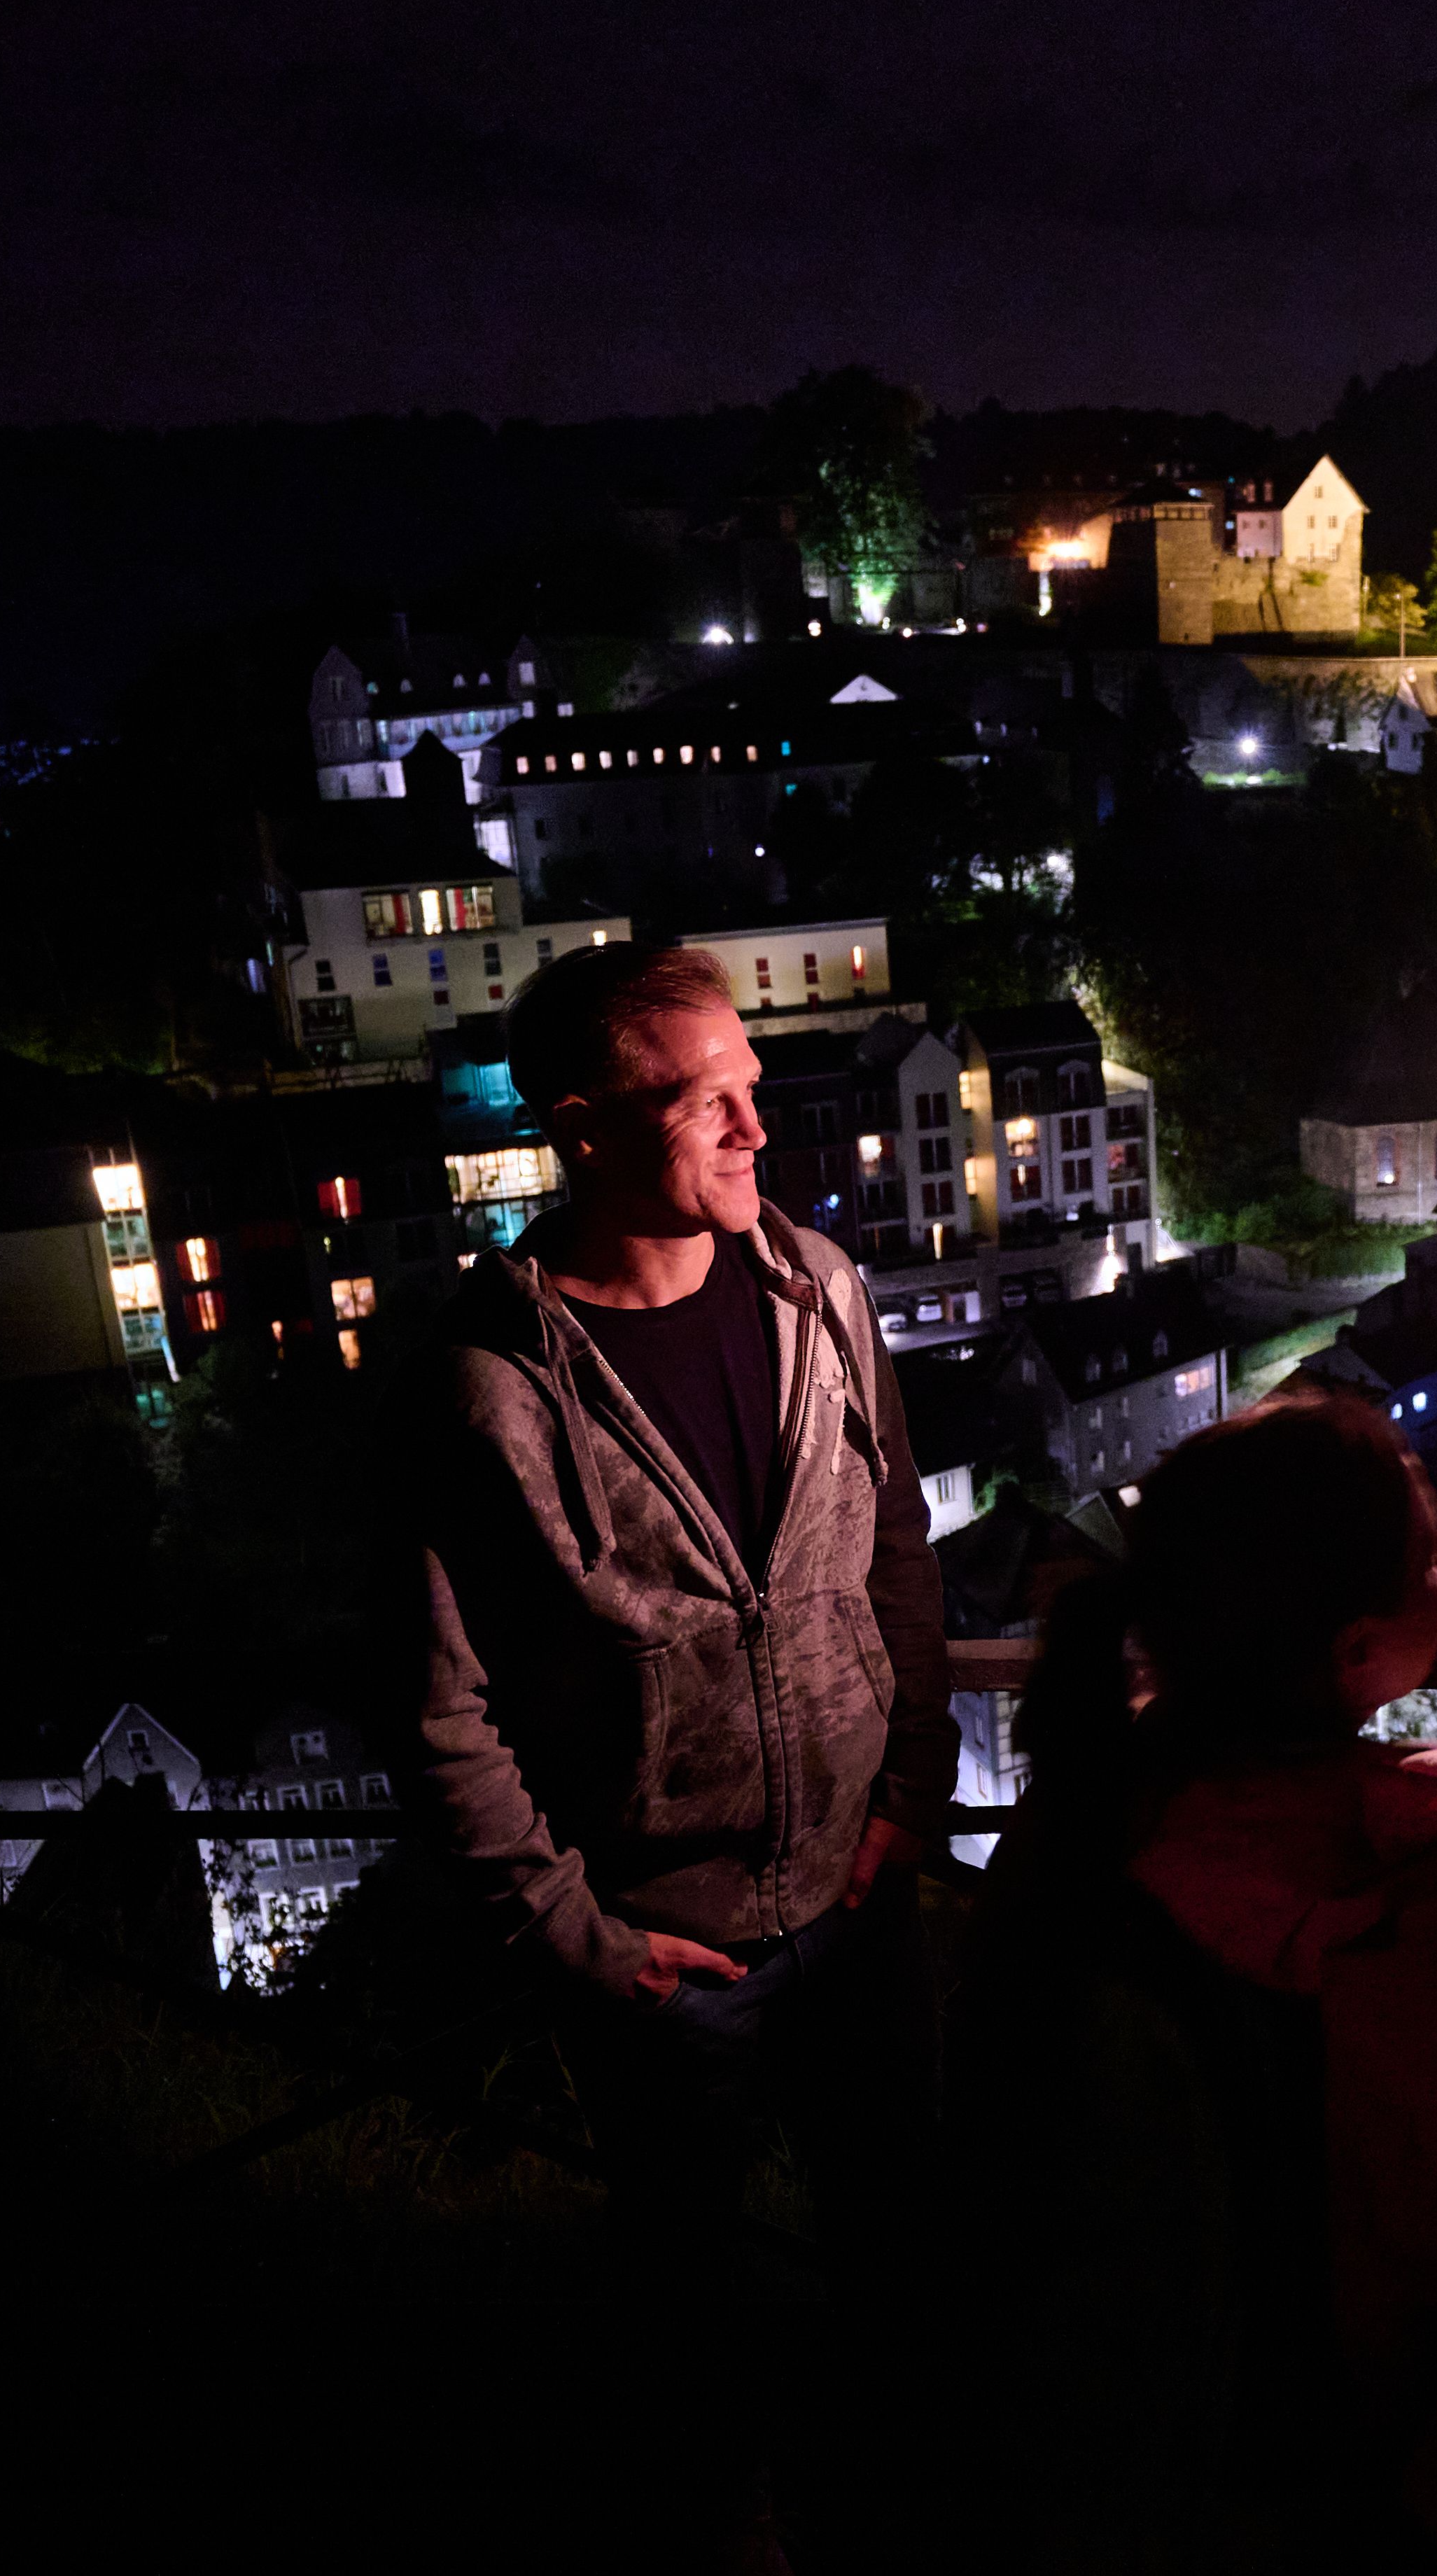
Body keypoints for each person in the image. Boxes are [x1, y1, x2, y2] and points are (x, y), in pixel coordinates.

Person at [398, 940, 952, 2572]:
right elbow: (439, 1705)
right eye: (702, 1100)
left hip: (860, 1899)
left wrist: (905, 1796)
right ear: (580, 1127)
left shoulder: (821, 1292)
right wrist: (578, 1936)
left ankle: (904, 2517)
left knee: (901, 2258)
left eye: (752, 1088)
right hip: (663, 1950)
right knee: (692, 2303)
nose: (755, 1129)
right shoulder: (484, 1390)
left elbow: (898, 1553)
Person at [972, 1392, 1437, 2575]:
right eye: (1428, 1546)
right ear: (1356, 1649)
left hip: (1098, 2498)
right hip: (1408, 2512)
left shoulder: (1066, 1847)